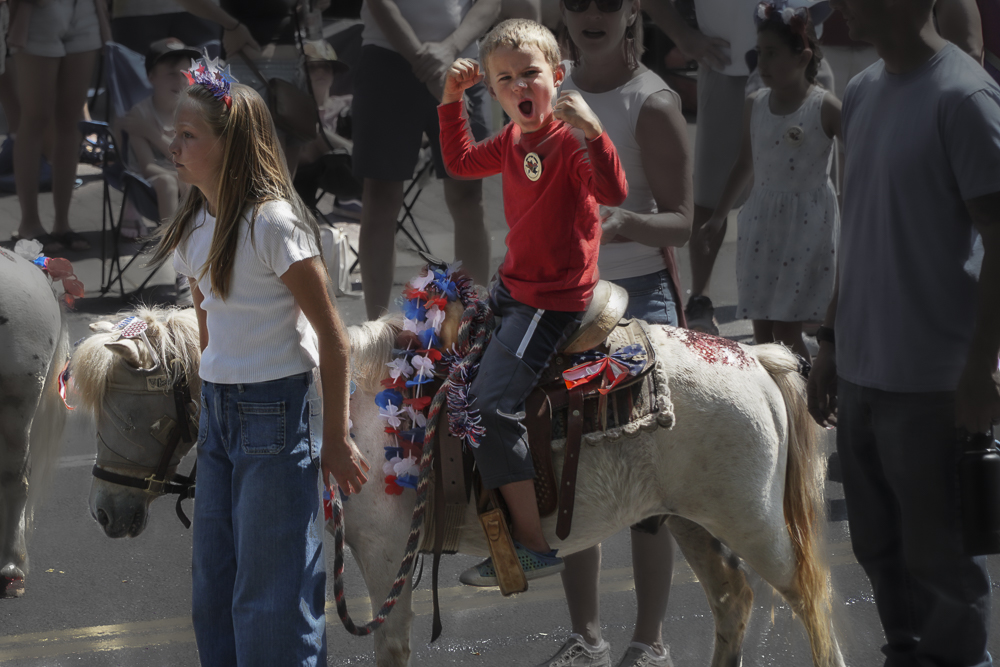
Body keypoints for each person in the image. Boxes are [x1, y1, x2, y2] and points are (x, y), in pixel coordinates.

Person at [151, 60, 370, 665]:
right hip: (224, 411)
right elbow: (206, 327)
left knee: (271, 593)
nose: (173, 144)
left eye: (189, 135)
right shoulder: (198, 220)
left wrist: (334, 438)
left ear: (229, 146)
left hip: (275, 411)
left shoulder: (271, 223)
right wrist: (205, 411)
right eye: (176, 132)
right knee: (214, 586)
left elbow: (332, 335)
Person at [807, 0, 1000, 662]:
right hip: (861, 376)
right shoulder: (860, 92)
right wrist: (830, 345)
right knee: (881, 553)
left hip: (933, 387)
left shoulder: (965, 96)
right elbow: (856, 231)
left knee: (943, 567)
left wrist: (980, 370)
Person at [438, 19, 628, 584]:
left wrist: (595, 132)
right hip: (514, 288)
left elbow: (614, 192)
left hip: (550, 301)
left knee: (492, 406)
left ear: (558, 76)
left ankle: (532, 545)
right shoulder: (514, 139)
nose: (521, 87)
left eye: (531, 75)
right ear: (493, 92)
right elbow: (462, 163)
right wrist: (452, 101)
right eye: (505, 80)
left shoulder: (569, 142)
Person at [543, 0, 693, 665]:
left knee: (642, 482)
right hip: (566, 302)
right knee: (573, 474)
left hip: (640, 300)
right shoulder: (548, 91)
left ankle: (650, 640)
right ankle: (586, 635)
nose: (591, 15)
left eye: (606, 2)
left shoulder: (650, 102)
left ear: (632, 9)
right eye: (577, 3)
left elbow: (684, 221)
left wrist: (626, 222)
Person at [703, 2, 841, 362]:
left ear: (802, 56)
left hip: (805, 227)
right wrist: (719, 216)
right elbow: (745, 163)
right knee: (761, 327)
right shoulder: (756, 103)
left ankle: (807, 397)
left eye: (773, 53)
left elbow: (864, 157)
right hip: (762, 225)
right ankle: (775, 403)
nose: (761, 64)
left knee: (786, 328)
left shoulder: (824, 107)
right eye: (759, 53)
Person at [353, 0, 500, 319]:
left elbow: (490, 4)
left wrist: (448, 50)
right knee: (380, 198)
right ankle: (376, 327)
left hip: (460, 59)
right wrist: (425, 61)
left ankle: (472, 321)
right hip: (387, 58)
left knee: (468, 196)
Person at [9, 0, 110, 253]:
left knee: (71, 120)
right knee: (35, 118)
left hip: (85, 11)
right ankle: (29, 223)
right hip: (40, 11)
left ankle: (62, 223)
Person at [118, 38, 201, 235]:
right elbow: (147, 166)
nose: (180, 81)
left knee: (194, 178)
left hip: (183, 173)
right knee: (169, 182)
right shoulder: (141, 114)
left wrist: (152, 133)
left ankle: (199, 239)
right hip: (146, 184)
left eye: (185, 74)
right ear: (151, 77)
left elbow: (193, 158)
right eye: (171, 74)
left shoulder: (192, 112)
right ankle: (171, 243)